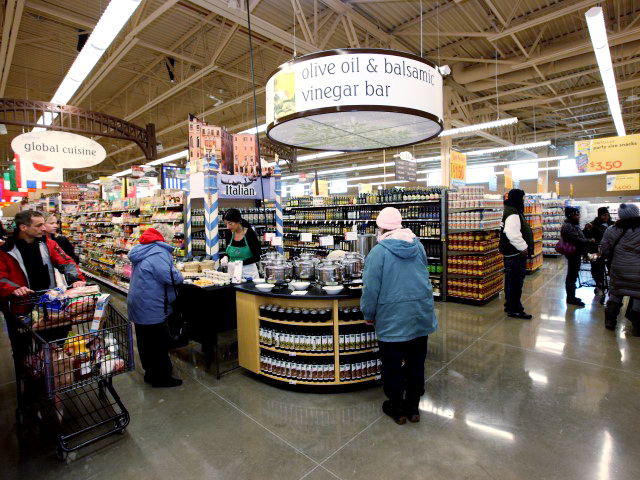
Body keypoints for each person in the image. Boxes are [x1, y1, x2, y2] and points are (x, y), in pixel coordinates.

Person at [361, 207, 437, 425]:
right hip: (420, 313)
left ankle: (397, 407)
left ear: (381, 227)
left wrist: (369, 314)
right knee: (416, 362)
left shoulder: (378, 252)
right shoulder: (418, 245)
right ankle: (413, 407)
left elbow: (371, 289)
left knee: (393, 365)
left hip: (392, 318)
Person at [128, 224, 184, 388]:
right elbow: (172, 278)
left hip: (139, 300)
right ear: (164, 237)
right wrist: (179, 272)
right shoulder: (159, 252)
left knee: (145, 341)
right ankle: (162, 377)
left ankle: (150, 372)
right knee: (157, 341)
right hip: (151, 302)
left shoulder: (142, 247)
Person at [0, 210, 85, 297]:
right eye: (39, 225)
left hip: (47, 299)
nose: (43, 228)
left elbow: (66, 263)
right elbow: (1, 277)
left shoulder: (49, 244)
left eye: (43, 224)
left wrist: (76, 279)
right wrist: (13, 288)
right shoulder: (5, 250)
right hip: (20, 301)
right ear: (23, 227)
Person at [600, 204, 640, 334]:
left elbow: (604, 249)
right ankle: (637, 327)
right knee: (638, 296)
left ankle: (610, 321)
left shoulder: (611, 230)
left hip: (618, 268)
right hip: (638, 270)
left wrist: (611, 257)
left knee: (616, 293)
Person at [499, 189, 534, 319]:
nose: (523, 201)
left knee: (510, 280)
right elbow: (512, 233)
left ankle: (509, 305)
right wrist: (523, 247)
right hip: (515, 254)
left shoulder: (510, 209)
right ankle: (515, 309)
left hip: (511, 253)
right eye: (522, 198)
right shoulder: (512, 213)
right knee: (515, 282)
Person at [561, 207, 595, 307]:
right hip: (573, 253)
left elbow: (578, 236)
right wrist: (590, 240)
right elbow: (576, 239)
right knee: (572, 276)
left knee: (573, 275)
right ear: (571, 216)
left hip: (575, 253)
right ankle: (571, 298)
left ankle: (572, 296)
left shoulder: (572, 225)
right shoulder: (568, 226)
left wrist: (585, 230)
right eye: (577, 215)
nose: (579, 216)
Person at [221, 208, 261, 279]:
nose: (228, 227)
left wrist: (240, 263)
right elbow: (228, 251)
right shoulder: (228, 234)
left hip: (248, 273)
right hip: (233, 272)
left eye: (230, 223)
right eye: (226, 224)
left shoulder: (250, 234)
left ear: (238, 221)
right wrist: (226, 257)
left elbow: (257, 257)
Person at [584, 207, 614, 295]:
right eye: (604, 215)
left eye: (607, 215)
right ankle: (599, 286)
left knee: (612, 269)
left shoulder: (612, 224)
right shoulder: (592, 225)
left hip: (610, 252)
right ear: (599, 215)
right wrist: (587, 231)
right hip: (596, 251)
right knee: (597, 269)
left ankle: (612, 287)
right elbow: (584, 235)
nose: (606, 217)